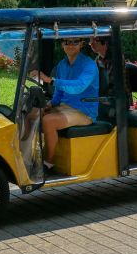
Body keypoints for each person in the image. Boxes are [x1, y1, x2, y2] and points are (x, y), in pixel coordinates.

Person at [25, 38, 98, 175]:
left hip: (83, 111)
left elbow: (79, 86)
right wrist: (50, 104)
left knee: (48, 121)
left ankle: (48, 163)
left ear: (81, 44)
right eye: (66, 42)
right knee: (30, 114)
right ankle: (27, 157)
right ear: (62, 44)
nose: (70, 45)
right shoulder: (62, 65)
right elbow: (59, 92)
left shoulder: (89, 65)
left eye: (75, 42)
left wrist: (50, 80)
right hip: (64, 107)